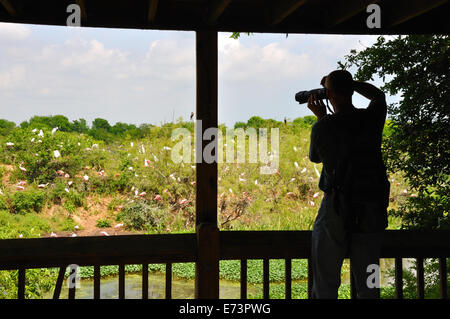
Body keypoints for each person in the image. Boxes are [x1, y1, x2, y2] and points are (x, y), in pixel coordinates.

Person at [307, 70, 390, 299]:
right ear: (352, 91)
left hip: (336, 208)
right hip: (371, 210)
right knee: (369, 284)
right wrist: (349, 84)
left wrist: (322, 118)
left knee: (325, 283)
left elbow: (316, 156)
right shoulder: (371, 119)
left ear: (329, 94)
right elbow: (378, 96)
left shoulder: (324, 126)